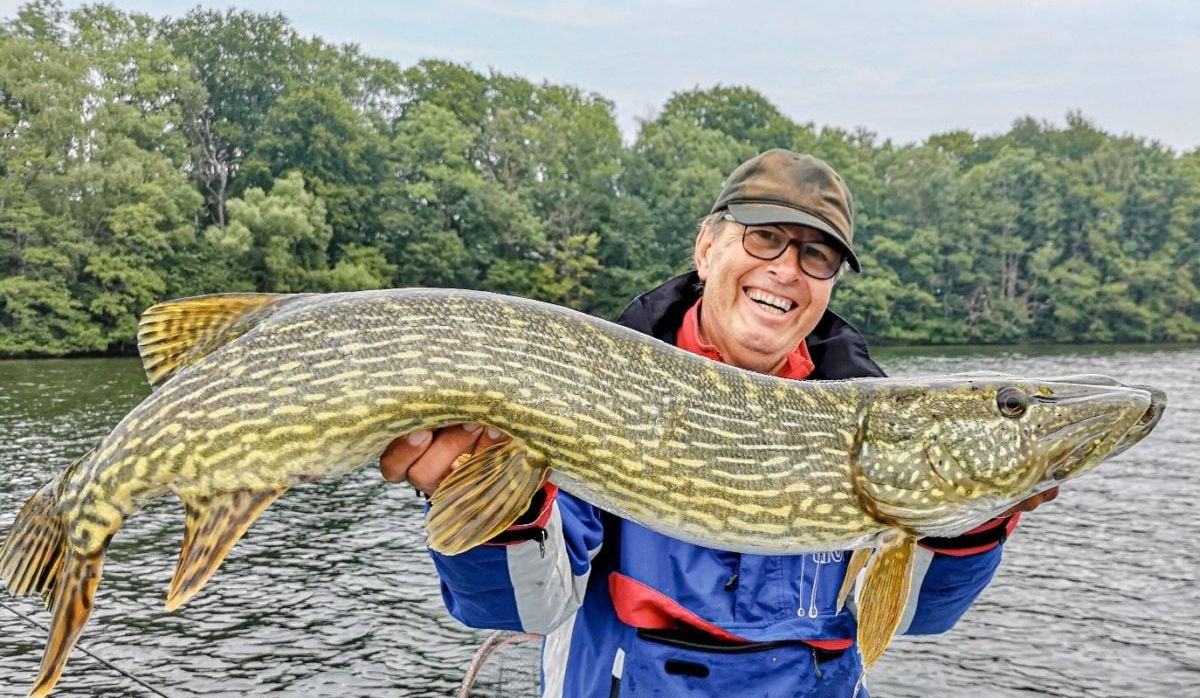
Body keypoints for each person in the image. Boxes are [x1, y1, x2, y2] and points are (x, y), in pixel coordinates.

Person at [379, 149, 1057, 697]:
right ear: (706, 248)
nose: (786, 270)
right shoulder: (594, 386)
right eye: (764, 237)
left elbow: (917, 615)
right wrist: (496, 512)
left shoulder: (873, 426)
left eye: (816, 256)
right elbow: (518, 609)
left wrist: (971, 519)